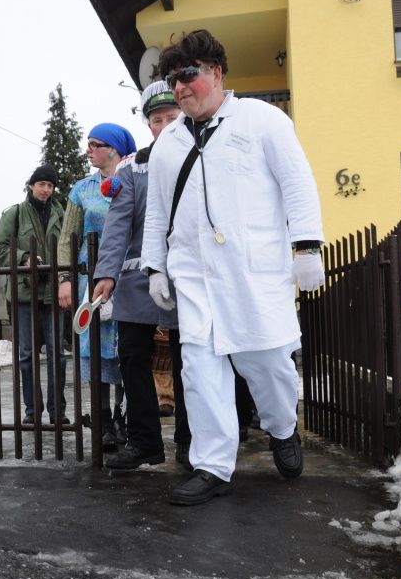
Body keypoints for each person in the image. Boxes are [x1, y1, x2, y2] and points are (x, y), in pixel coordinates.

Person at [140, 29, 326, 506]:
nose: (179, 87)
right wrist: (155, 267)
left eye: (187, 75)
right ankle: (213, 465)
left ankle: (283, 428)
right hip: (196, 274)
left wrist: (306, 246)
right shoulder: (169, 143)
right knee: (199, 371)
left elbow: (297, 183)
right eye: (172, 80)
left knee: (265, 364)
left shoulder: (262, 119)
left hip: (253, 272)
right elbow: (159, 211)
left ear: (216, 73)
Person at [92, 81, 188, 470]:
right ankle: (145, 442)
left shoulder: (198, 158)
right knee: (133, 357)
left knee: (189, 361)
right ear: (148, 125)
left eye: (170, 118)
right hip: (136, 281)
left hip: (186, 279)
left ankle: (191, 442)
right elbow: (117, 225)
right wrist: (106, 275)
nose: (163, 125)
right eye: (156, 120)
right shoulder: (132, 169)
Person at [57, 123, 136, 450]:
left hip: (130, 279)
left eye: (95, 144)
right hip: (91, 282)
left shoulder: (135, 179)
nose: (88, 149)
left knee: (127, 351)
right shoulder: (82, 190)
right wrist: (64, 279)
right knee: (95, 353)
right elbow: (66, 239)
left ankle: (123, 420)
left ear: (114, 149)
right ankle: (102, 423)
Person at [0, 164, 67, 426]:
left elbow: (69, 246)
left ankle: (58, 412)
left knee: (57, 354)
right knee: (26, 353)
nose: (46, 190)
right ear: (31, 185)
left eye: (50, 185)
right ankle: (31, 412)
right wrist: (23, 258)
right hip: (24, 292)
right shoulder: (15, 214)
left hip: (54, 292)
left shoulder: (61, 214)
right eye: (41, 184)